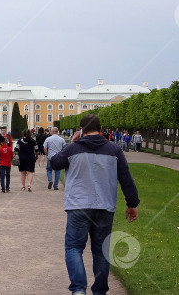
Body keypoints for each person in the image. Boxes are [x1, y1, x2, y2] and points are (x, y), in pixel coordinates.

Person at [51, 114, 139, 295]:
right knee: (100, 250)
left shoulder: (73, 149)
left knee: (74, 248)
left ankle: (78, 289)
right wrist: (132, 203)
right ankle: (99, 291)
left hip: (78, 206)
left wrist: (71, 143)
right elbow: (126, 178)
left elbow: (55, 163)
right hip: (104, 205)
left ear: (81, 130)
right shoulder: (114, 150)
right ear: (100, 129)